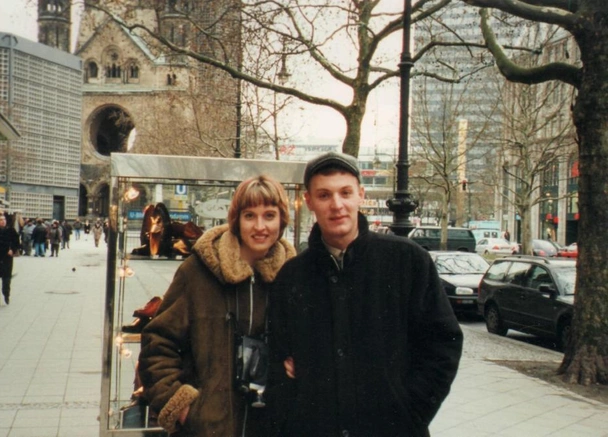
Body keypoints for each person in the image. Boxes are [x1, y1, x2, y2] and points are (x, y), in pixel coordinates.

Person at [267, 152, 463, 437]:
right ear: (308, 201)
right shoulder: (292, 276)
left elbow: (443, 344)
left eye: (345, 193)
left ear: (361, 195)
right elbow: (277, 361)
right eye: (324, 195)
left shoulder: (407, 260)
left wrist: (411, 413)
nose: (337, 205)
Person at [138, 175, 296, 436]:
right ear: (236, 219)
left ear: (281, 220)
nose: (260, 226)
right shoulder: (198, 271)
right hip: (209, 428)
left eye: (269, 215)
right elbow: (158, 342)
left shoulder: (292, 276)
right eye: (249, 216)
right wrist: (186, 409)